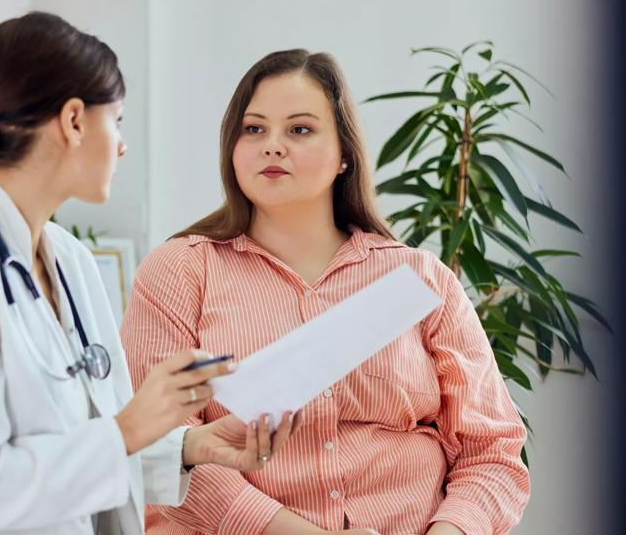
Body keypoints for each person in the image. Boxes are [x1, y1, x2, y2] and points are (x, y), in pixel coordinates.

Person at [0, 12, 300, 535]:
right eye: (119, 121)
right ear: (74, 121)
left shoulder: (69, 261)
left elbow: (82, 437)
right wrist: (129, 429)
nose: (123, 145)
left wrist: (188, 446)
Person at [121, 49, 530, 535]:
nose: (272, 146)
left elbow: (493, 450)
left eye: (299, 129)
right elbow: (158, 446)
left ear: (344, 156)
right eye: (254, 129)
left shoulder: (418, 278)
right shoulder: (181, 270)